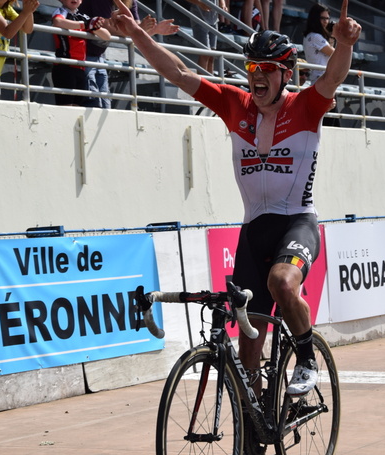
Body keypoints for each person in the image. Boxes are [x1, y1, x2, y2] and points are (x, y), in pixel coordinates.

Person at [108, 0, 360, 423]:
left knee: (283, 281)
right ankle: (254, 436)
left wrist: (345, 44)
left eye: (267, 70)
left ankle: (304, 357)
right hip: (252, 233)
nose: (257, 77)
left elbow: (334, 75)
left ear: (286, 74)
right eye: (251, 69)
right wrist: (137, 35)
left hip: (297, 223)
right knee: (246, 355)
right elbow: (178, 73)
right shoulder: (234, 105)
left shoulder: (306, 106)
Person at [79, 0, 178, 108]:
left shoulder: (131, 1)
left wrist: (155, 30)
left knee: (105, 105)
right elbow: (108, 28)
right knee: (91, 102)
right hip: (82, 54)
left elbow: (136, 32)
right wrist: (138, 30)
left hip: (98, 56)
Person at [51, 0, 111, 106]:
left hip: (80, 68)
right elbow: (58, 22)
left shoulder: (83, 17)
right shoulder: (61, 11)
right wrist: (85, 25)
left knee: (78, 106)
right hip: (64, 66)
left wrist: (95, 26)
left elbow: (107, 36)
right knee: (65, 105)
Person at [187, 0, 228, 75]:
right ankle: (203, 83)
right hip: (199, 17)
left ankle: (209, 82)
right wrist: (199, 3)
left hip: (214, 19)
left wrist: (223, 4)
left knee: (212, 55)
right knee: (205, 53)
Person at [302, 3, 333, 85]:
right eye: (322, 18)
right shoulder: (315, 36)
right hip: (321, 79)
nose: (325, 22)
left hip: (320, 79)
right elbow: (335, 54)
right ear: (315, 18)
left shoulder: (311, 35)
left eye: (327, 18)